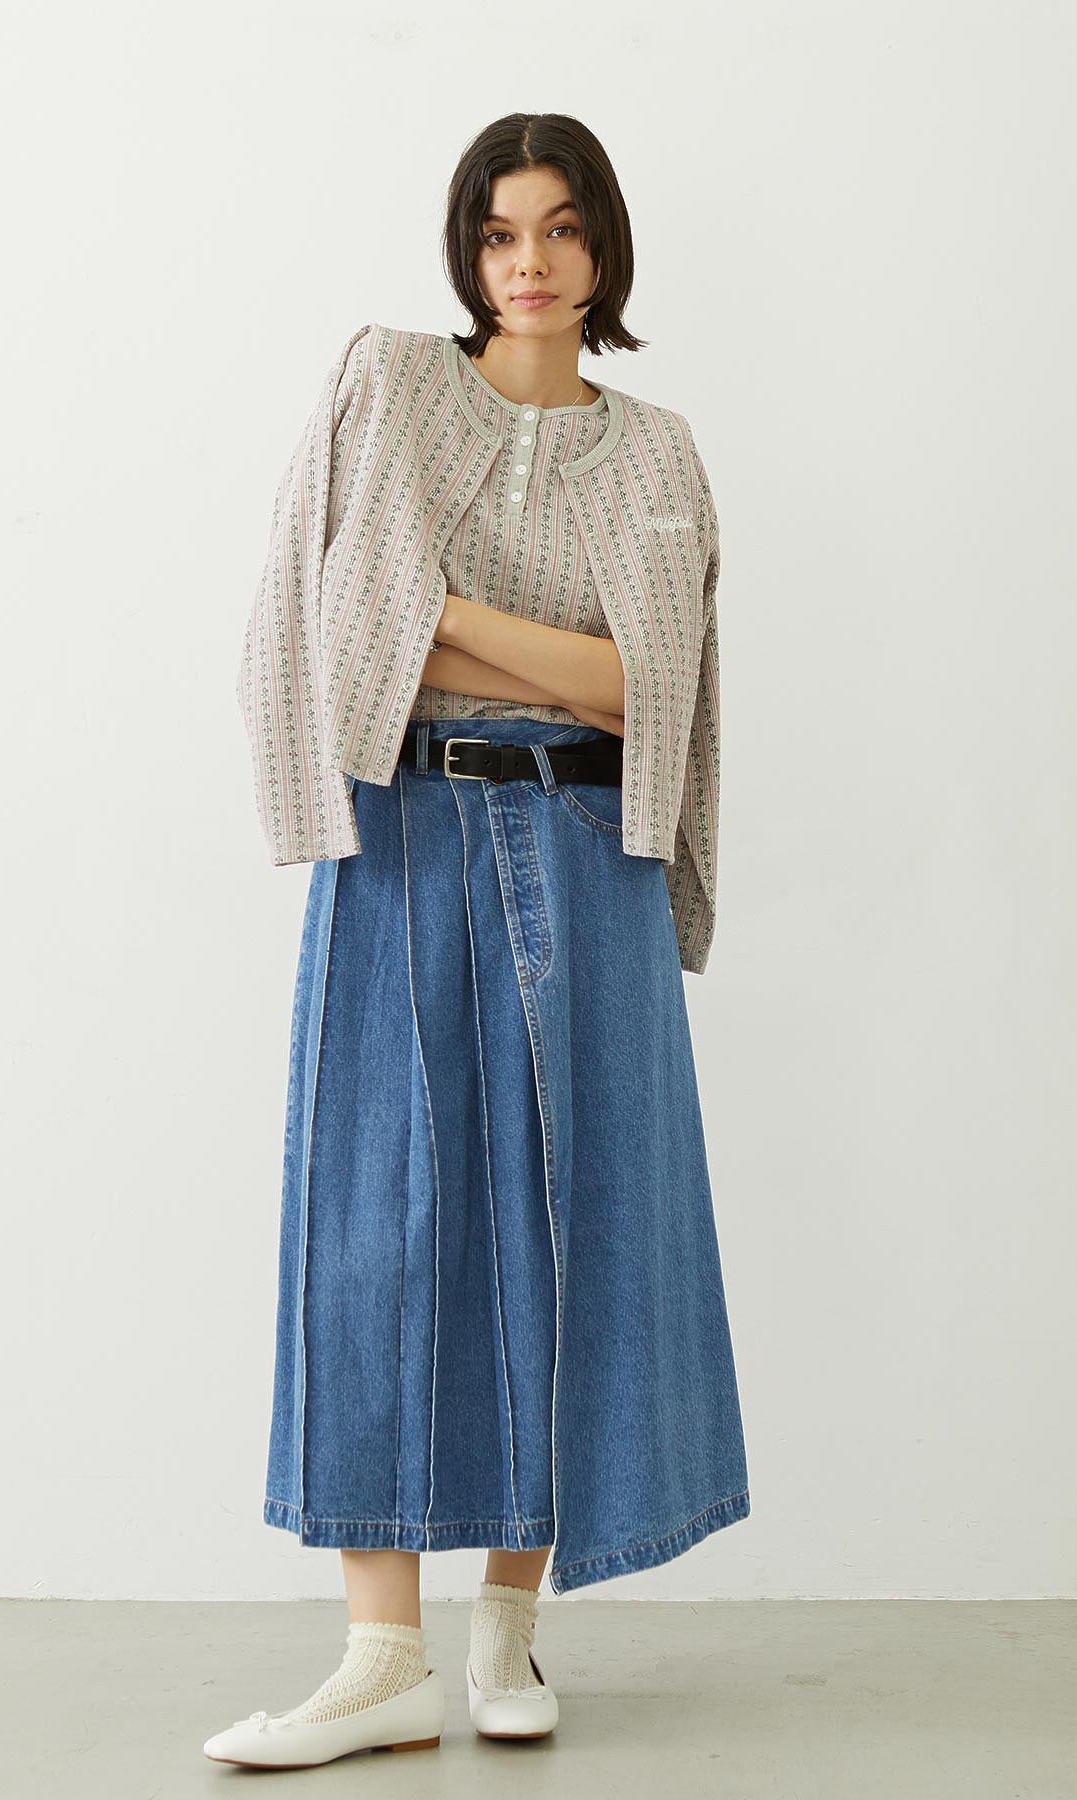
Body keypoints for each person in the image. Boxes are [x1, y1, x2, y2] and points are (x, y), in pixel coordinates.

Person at [207, 110, 750, 1770]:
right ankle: (383, 1656)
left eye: (563, 229)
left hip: (588, 850)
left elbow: (652, 693)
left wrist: (428, 615)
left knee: (577, 1215)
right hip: (403, 840)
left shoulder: (658, 455)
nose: (531, 263)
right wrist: (534, 652)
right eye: (502, 232)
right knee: (375, 1216)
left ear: (605, 252)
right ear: (467, 250)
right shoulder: (385, 387)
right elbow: (321, 630)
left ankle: (509, 1624)